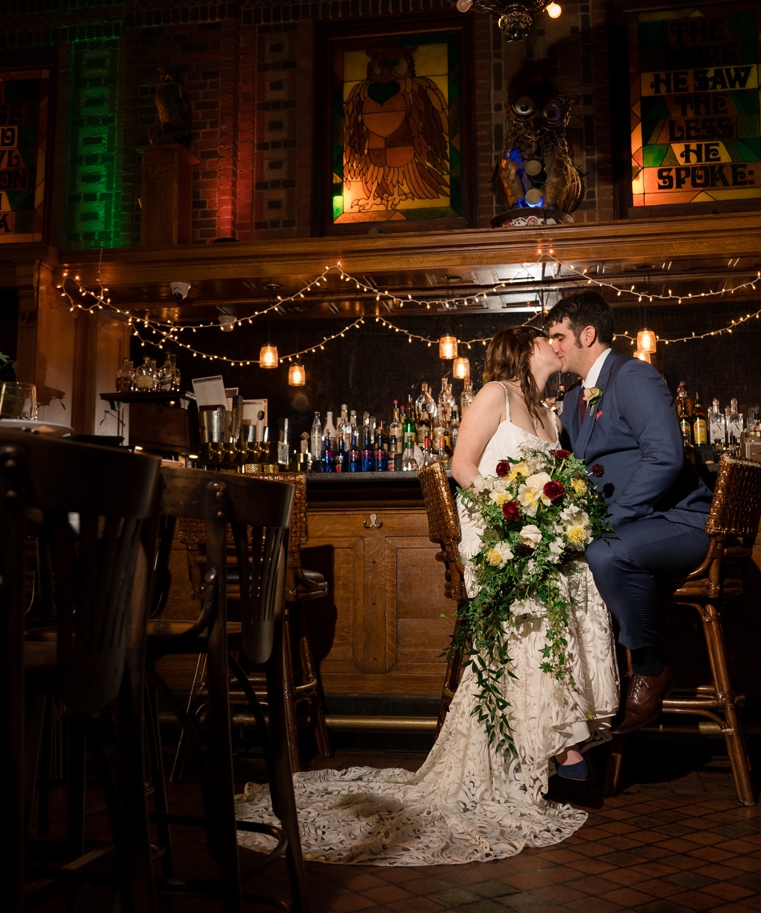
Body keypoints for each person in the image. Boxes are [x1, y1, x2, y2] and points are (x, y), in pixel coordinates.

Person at [232, 326, 618, 865]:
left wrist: (553, 512)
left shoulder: (554, 416)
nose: (557, 345)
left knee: (582, 577)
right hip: (496, 534)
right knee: (545, 584)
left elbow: (553, 481)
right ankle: (562, 750)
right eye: (544, 339)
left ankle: (556, 741)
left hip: (531, 533)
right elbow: (462, 466)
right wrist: (512, 509)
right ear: (521, 349)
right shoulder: (495, 395)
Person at [546, 291, 713, 733]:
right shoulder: (571, 400)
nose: (553, 346)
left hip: (678, 521)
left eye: (559, 336)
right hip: (631, 525)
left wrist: (610, 520)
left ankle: (651, 665)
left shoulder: (633, 375)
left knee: (605, 554)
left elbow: (665, 456)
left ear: (588, 334)